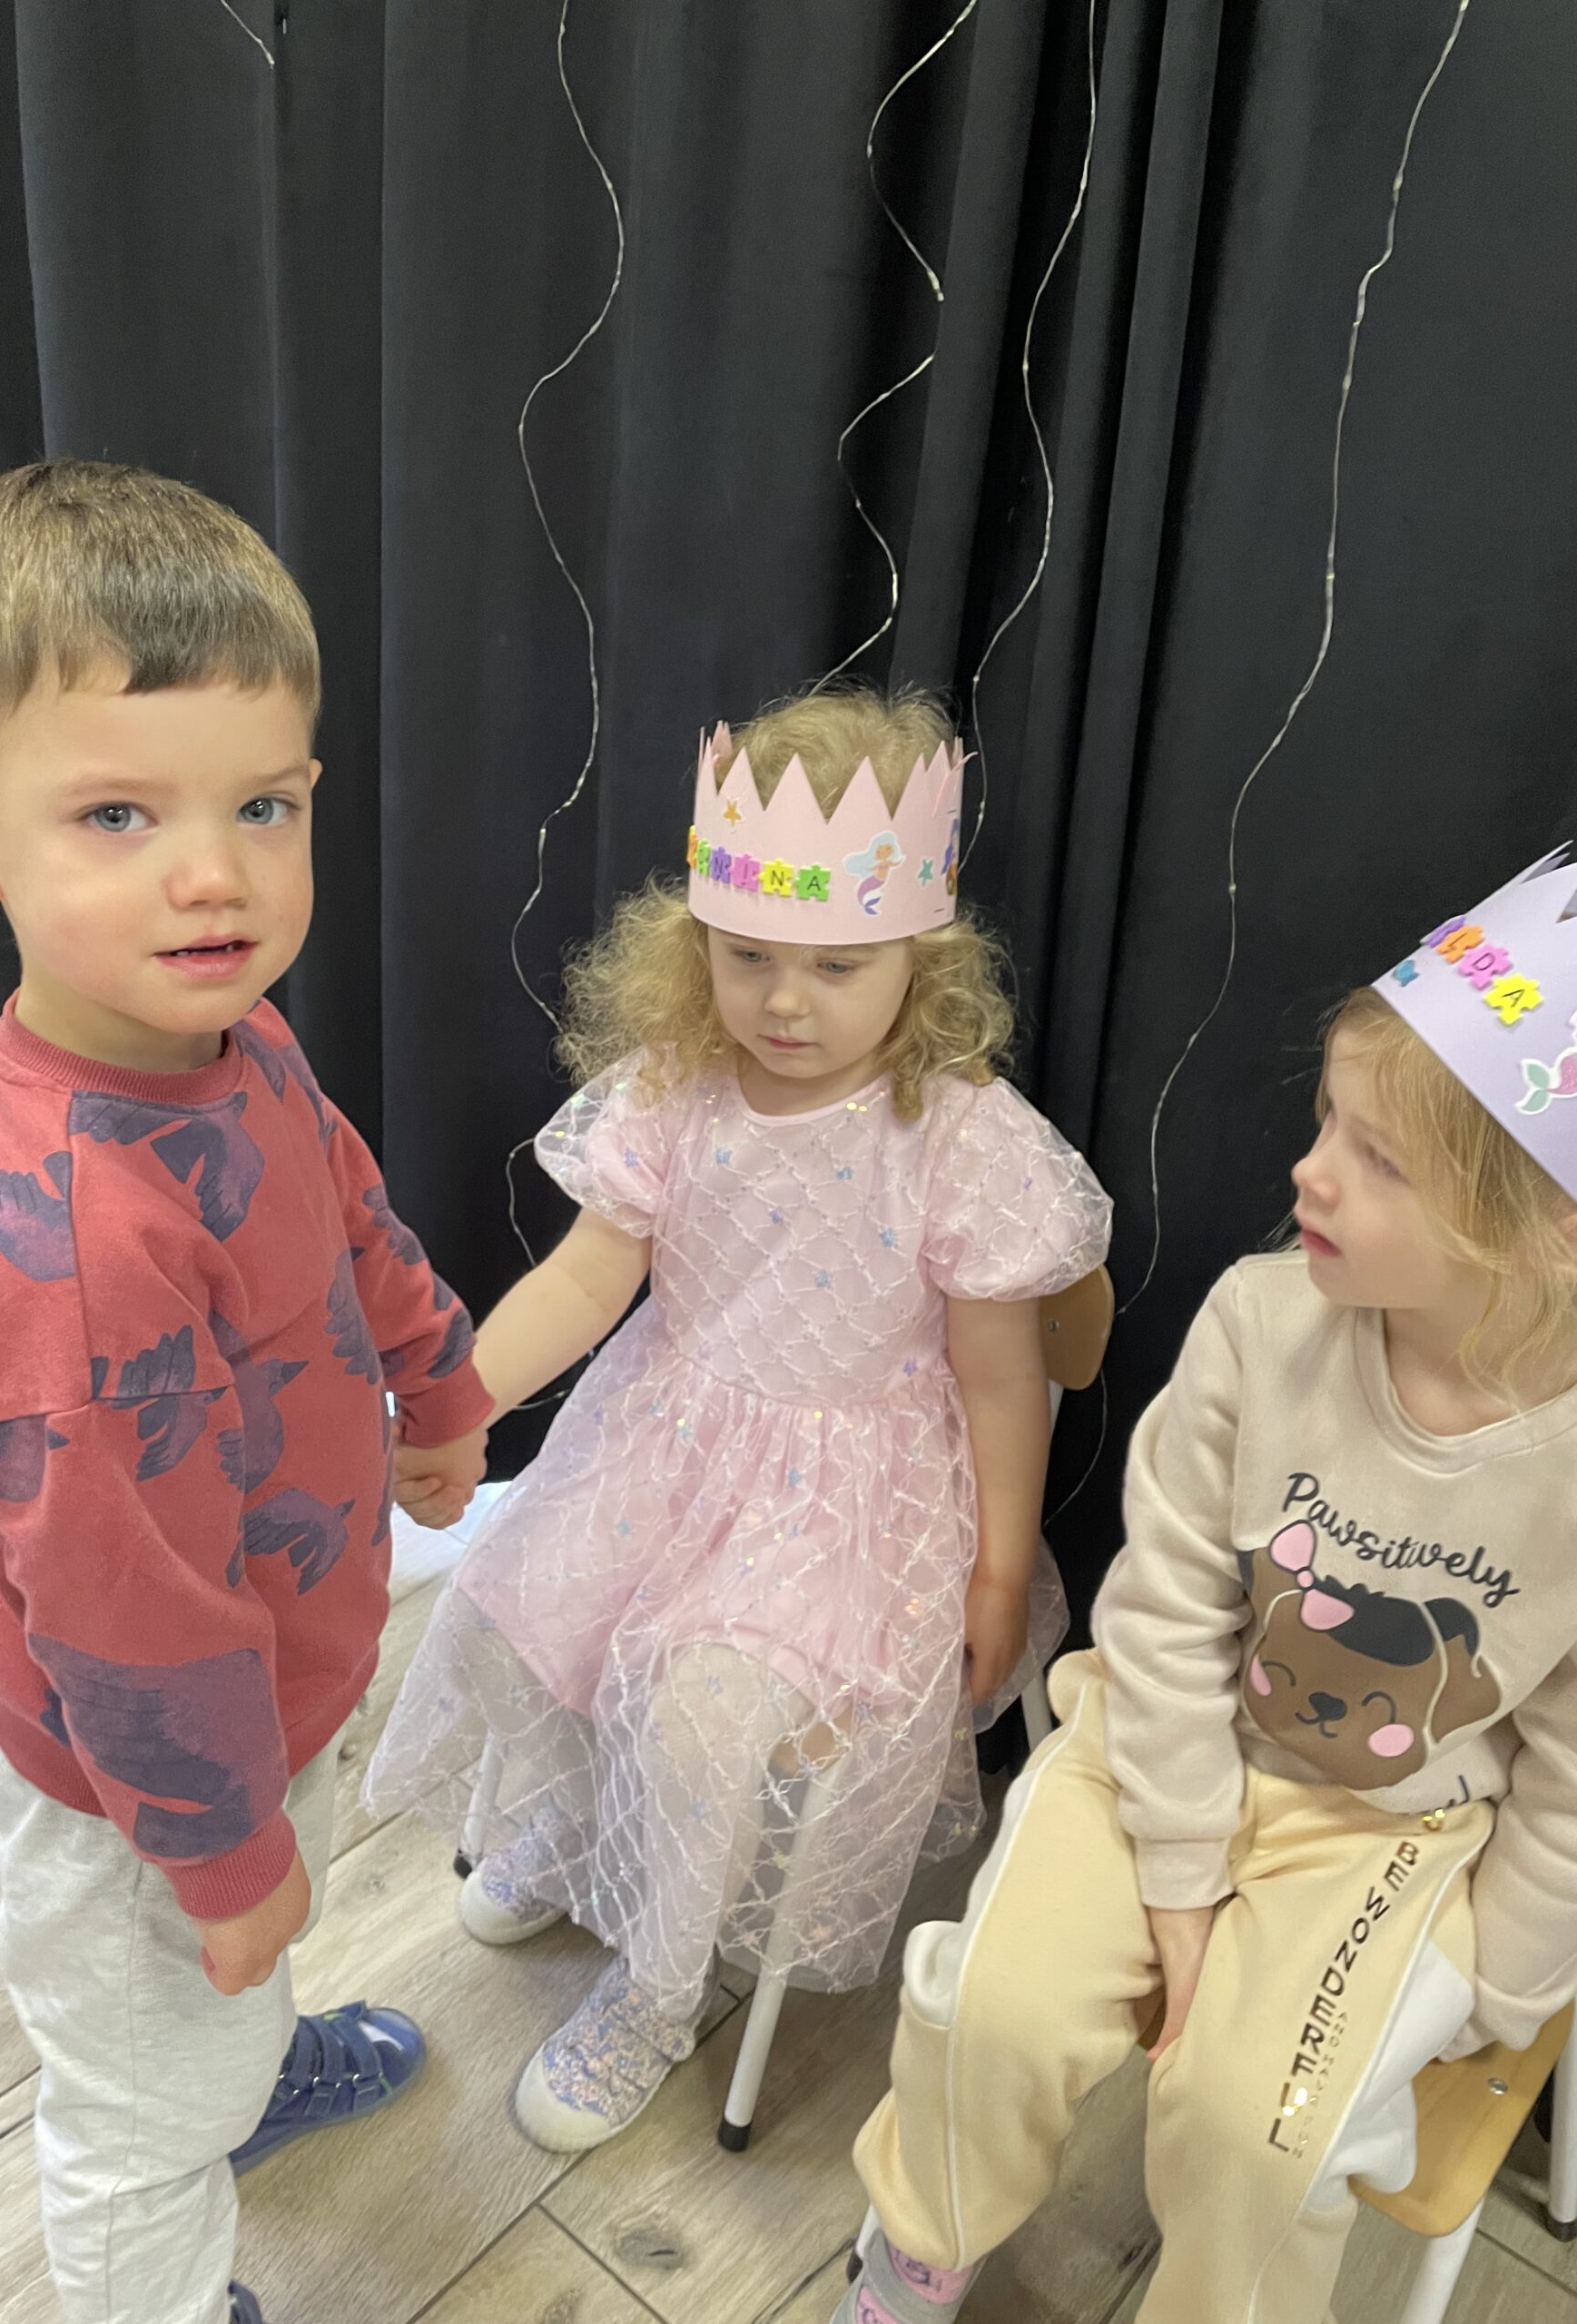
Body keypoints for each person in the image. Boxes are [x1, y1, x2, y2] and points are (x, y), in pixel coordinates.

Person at [0, 460, 493, 2324]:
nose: (214, 872)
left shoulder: (225, 1029)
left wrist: (437, 1375)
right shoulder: (74, 1243)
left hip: (272, 1669)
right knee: (136, 2118)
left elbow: (346, 1207)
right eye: (118, 813)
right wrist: (222, 1861)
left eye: (263, 804)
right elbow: (121, 1610)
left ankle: (241, 2061)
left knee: (219, 1996)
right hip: (140, 1785)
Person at [837, 846, 1577, 2324]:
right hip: (1164, 1742)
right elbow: (1167, 1611)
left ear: (1543, 1231)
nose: (1312, 1172)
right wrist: (1179, 1875)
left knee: (1262, 2138)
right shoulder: (1260, 1321)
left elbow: (1566, 1766)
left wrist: (1499, 1985)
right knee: (991, 2005)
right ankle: (921, 2243)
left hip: (1389, 1833)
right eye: (1328, 1120)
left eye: (1381, 1160)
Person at [367, 686, 1111, 2150]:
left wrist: (999, 1568)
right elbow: (588, 1278)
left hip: (848, 1502)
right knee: (528, 1601)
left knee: (700, 1712)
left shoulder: (959, 1140)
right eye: (748, 953)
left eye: (838, 966)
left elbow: (1000, 1377)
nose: (784, 1002)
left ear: (919, 957)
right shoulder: (678, 1088)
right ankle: (577, 1832)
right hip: (666, 1437)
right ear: (693, 936)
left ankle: (656, 1990)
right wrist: (455, 1400)